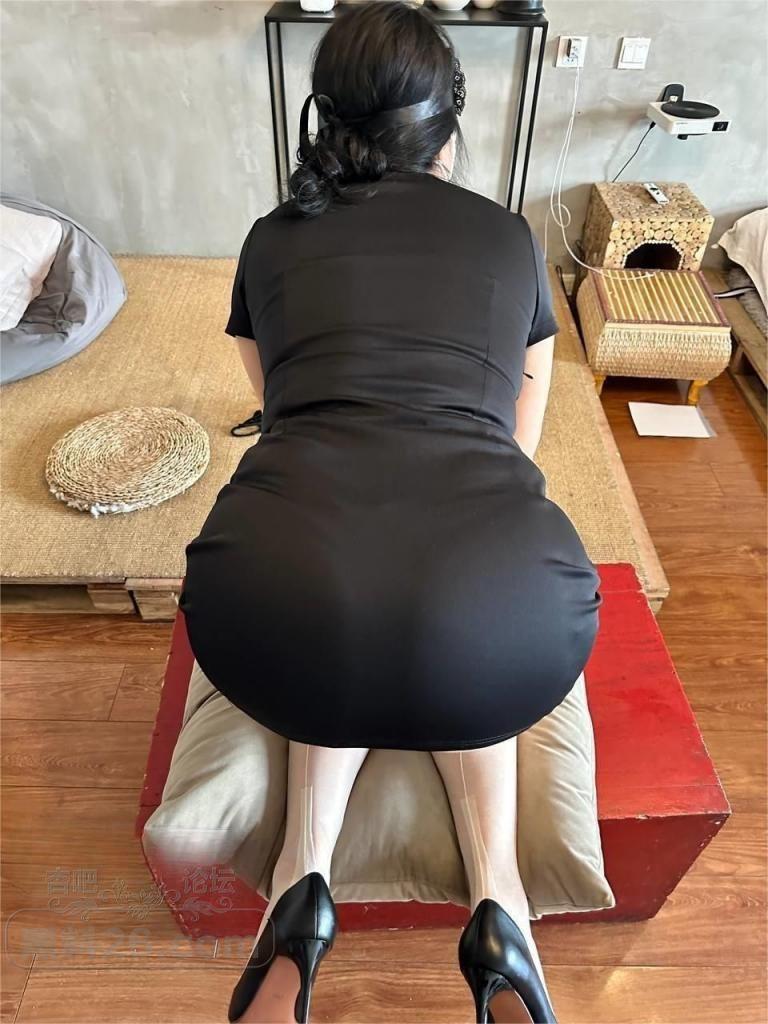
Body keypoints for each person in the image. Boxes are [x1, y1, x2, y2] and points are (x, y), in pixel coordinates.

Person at [179, 3, 602, 1022]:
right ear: (448, 125)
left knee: (338, 580)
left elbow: (275, 406)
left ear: (325, 116)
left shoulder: (271, 240)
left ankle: (297, 889)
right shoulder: (507, 239)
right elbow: (519, 434)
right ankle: (502, 910)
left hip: (268, 617)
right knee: (457, 591)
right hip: (509, 633)